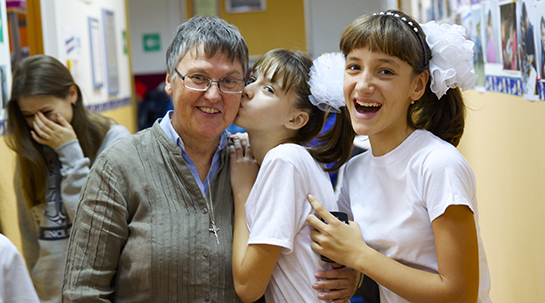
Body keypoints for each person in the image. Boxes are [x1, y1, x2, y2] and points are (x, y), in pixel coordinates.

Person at [62, 16, 357, 302]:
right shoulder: (119, 165)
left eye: (229, 81)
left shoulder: (255, 162)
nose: (214, 95)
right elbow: (83, 292)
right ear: (169, 80)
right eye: (199, 78)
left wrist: (350, 274)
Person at [305, 10, 492, 303]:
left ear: (417, 85)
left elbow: (459, 293)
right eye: (354, 67)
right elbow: (372, 258)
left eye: (385, 71)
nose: (364, 84)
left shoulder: (438, 164)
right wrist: (352, 275)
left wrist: (361, 258)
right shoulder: (354, 171)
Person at [229, 50, 355, 302]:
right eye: (253, 79)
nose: (247, 90)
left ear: (296, 119)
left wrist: (243, 190)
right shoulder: (297, 158)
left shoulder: (284, 160)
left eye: (268, 90)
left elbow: (247, 286)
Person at [3, 54, 130, 303]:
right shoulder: (30, 152)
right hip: (51, 293)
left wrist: (69, 151)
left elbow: (96, 225)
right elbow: (30, 236)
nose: (38, 123)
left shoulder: (114, 140)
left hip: (104, 292)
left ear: (72, 94)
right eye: (28, 115)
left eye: (46, 112)